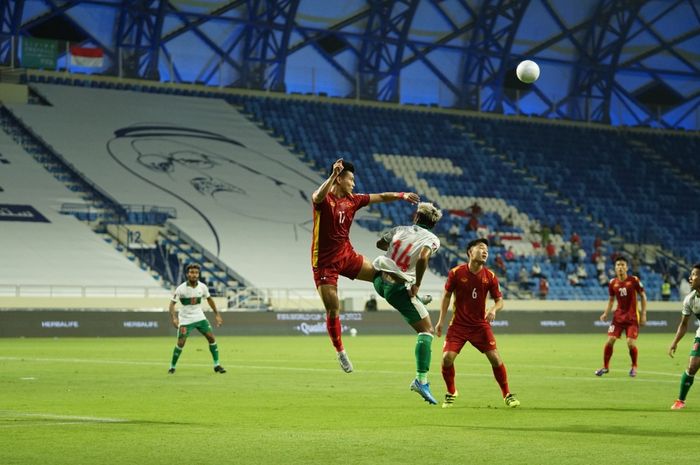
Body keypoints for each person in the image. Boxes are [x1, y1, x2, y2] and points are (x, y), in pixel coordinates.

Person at [311, 159, 419, 373]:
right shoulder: (325, 200)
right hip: (324, 263)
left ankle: (409, 292)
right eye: (350, 179)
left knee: (381, 275)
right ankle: (340, 352)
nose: (353, 184)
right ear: (340, 179)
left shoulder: (354, 200)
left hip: (346, 255)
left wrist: (401, 195)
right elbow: (316, 196)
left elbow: (380, 197)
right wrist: (332, 175)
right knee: (333, 309)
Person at [435, 238, 520, 409]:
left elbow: (500, 300)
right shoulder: (456, 273)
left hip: (480, 325)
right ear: (470, 252)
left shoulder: (490, 276)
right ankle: (451, 392)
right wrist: (440, 321)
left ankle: (507, 394)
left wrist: (495, 309)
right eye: (481, 248)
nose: (485, 251)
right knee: (447, 358)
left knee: (495, 359)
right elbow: (446, 296)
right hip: (458, 325)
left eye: (486, 250)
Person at [372, 202, 443, 405]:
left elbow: (380, 244)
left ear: (416, 217)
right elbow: (422, 258)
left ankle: (418, 301)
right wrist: (418, 284)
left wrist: (396, 247)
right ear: (433, 223)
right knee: (427, 331)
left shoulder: (399, 229)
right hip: (398, 288)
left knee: (412, 301)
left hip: (379, 282)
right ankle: (421, 381)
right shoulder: (432, 239)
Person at [168, 263, 225, 374]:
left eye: (196, 273)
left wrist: (217, 315)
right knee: (181, 343)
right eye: (191, 272)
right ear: (187, 274)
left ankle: (217, 365)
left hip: (199, 317)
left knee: (211, 338)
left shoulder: (202, 287)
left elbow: (209, 300)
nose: (194, 275)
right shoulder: (181, 289)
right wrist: (174, 318)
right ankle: (172, 366)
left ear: (198, 274)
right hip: (185, 319)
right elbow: (172, 304)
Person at [595, 256, 647, 377]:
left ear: (627, 267)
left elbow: (643, 296)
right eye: (618, 265)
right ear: (615, 268)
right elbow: (611, 300)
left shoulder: (634, 280)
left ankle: (634, 366)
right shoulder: (612, 282)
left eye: (623, 265)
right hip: (618, 317)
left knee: (630, 343)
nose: (620, 267)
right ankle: (605, 367)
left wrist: (644, 314)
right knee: (610, 340)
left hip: (632, 318)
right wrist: (606, 313)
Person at [667, 264, 700, 409]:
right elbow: (684, 324)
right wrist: (675, 342)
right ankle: (681, 400)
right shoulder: (690, 299)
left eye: (694, 274)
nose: (690, 278)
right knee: (692, 366)